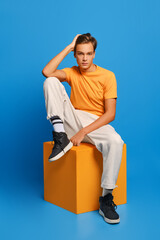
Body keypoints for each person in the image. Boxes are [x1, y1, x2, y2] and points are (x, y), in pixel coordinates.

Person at [42, 33, 124, 224]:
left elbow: (110, 114)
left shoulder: (108, 76)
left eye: (88, 54)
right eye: (80, 53)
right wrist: (69, 46)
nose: (84, 58)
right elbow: (47, 71)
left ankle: (106, 199)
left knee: (116, 141)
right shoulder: (72, 72)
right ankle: (60, 136)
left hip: (96, 122)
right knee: (50, 81)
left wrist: (84, 131)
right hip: (72, 118)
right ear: (75, 55)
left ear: (94, 54)